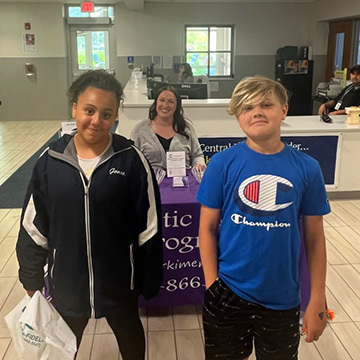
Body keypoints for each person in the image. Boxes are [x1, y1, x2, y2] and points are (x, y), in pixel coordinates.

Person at [16, 69, 163, 360]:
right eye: (89, 110)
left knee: (130, 337)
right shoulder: (50, 162)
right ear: (75, 108)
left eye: (106, 114)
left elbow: (149, 226)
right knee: (63, 346)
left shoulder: (131, 160)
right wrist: (31, 278)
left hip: (120, 280)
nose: (96, 121)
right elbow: (34, 226)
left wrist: (150, 277)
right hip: (69, 283)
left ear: (116, 116)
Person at [197, 75, 330, 360]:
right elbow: (206, 230)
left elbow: (315, 238)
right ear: (238, 116)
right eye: (246, 107)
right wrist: (212, 286)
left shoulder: (307, 168)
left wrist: (317, 295)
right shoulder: (221, 163)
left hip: (282, 296)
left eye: (266, 104)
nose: (256, 111)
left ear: (283, 110)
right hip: (227, 291)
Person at [130, 85, 205, 171]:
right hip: (150, 183)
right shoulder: (140, 129)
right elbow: (131, 159)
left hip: (181, 182)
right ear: (156, 102)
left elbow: (197, 155)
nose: (165, 105)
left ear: (177, 105)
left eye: (171, 101)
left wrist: (199, 164)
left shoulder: (186, 128)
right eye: (162, 100)